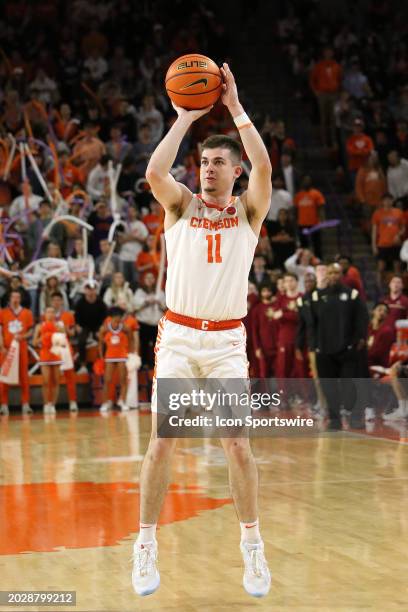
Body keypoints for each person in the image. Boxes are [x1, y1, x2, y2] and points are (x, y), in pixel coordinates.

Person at [132, 63, 272, 598]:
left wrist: (234, 107)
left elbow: (262, 162)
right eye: (205, 161)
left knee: (237, 444)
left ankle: (252, 547)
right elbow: (153, 171)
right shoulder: (181, 204)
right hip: (181, 336)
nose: (208, 168)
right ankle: (145, 544)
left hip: (226, 344)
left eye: (218, 162)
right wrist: (186, 117)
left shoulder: (249, 212)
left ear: (235, 172)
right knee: (163, 441)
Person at [310, 263, 368, 430]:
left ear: (341, 274)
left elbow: (362, 318)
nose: (333, 276)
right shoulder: (317, 296)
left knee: (350, 385)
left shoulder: (352, 294)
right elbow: (310, 321)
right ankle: (334, 419)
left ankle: (355, 417)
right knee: (328, 386)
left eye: (336, 272)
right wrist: (313, 344)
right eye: (330, 272)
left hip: (347, 349)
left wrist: (360, 338)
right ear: (326, 275)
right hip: (324, 349)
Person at [0, 290, 34, 415]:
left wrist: (23, 336)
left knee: (24, 376)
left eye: (18, 297)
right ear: (9, 299)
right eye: (13, 296)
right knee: (4, 376)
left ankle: (25, 404)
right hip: (7, 349)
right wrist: (1, 345)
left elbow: (31, 331)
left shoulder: (27, 313)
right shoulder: (2, 313)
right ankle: (3, 405)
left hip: (22, 348)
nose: (16, 299)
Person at [98, 306, 133, 413]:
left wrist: (130, 351)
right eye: (117, 316)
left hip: (122, 356)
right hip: (110, 357)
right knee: (107, 380)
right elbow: (100, 343)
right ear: (112, 316)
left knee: (123, 379)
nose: (119, 318)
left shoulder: (125, 328)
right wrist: (101, 356)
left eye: (120, 316)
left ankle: (122, 401)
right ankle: (105, 402)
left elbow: (131, 339)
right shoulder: (105, 328)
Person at [50, 291, 78, 412]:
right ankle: (51, 404)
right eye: (54, 300)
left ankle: (72, 402)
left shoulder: (68, 315)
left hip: (65, 348)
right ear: (51, 302)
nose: (56, 302)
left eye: (58, 300)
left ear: (62, 301)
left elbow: (72, 333)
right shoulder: (47, 316)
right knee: (53, 378)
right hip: (52, 349)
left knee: (69, 376)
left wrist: (65, 329)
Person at [309, 47, 342, 148]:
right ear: (324, 53)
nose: (328, 54)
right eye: (327, 52)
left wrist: (338, 92)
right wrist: (316, 92)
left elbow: (340, 80)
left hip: (334, 94)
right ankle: (324, 142)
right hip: (322, 94)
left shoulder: (336, 66)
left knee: (333, 119)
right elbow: (312, 79)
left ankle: (334, 141)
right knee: (324, 119)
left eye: (330, 52)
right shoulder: (319, 66)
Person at [33, 306, 63, 414]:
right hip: (45, 354)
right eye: (48, 312)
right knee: (46, 381)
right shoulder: (39, 326)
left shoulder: (59, 326)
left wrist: (57, 335)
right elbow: (34, 342)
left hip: (55, 354)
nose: (50, 314)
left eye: (52, 312)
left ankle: (53, 405)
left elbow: (63, 342)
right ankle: (46, 404)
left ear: (55, 314)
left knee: (55, 380)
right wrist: (43, 337)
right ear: (44, 314)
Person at [133, 271, 166, 368]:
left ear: (155, 280)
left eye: (151, 278)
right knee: (144, 344)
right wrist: (146, 302)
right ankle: (144, 363)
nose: (150, 280)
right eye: (147, 278)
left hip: (156, 322)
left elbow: (165, 308)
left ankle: (155, 363)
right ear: (144, 280)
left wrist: (158, 302)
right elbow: (135, 308)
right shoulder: (140, 292)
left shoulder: (159, 292)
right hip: (144, 322)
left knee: (157, 344)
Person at [74, 280, 107, 373]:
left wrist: (101, 328)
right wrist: (77, 326)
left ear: (95, 290)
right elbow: (76, 317)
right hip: (84, 326)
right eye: (88, 289)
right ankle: (83, 365)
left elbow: (105, 317)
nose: (91, 291)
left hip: (97, 326)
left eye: (93, 289)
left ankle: (104, 363)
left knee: (103, 340)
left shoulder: (101, 303)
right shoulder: (80, 302)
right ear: (85, 290)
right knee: (81, 341)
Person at [371, 193, 405, 282]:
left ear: (392, 201)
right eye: (385, 200)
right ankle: (379, 288)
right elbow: (374, 231)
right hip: (382, 244)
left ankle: (399, 287)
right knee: (381, 268)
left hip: (395, 244)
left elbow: (403, 228)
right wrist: (374, 245)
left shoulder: (398, 212)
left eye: (389, 200)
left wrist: (399, 235)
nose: (387, 202)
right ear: (382, 201)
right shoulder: (377, 213)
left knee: (397, 268)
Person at [294, 176, 325, 258]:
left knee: (317, 244)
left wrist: (322, 220)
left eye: (308, 180)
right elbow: (296, 209)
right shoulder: (298, 195)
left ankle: (318, 259)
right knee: (304, 245)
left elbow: (321, 208)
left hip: (314, 223)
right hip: (302, 224)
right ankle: (304, 260)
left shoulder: (316, 193)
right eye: (304, 180)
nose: (306, 182)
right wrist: (295, 221)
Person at [251, 284, 278, 377]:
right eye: (264, 291)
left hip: (278, 346)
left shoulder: (277, 306)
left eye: (268, 291)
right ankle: (265, 392)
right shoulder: (257, 309)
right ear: (261, 293)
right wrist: (257, 347)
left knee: (280, 374)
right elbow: (254, 330)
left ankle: (281, 392)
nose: (266, 293)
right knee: (264, 375)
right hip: (263, 348)